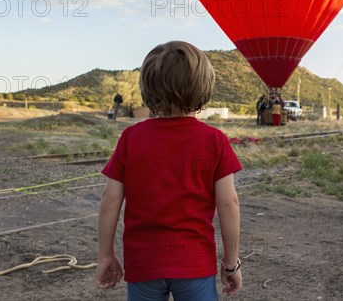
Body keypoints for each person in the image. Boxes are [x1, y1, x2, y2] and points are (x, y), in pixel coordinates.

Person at [96, 41, 243, 300]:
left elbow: (110, 200)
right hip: (194, 264)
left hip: (144, 263)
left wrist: (105, 255)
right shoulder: (215, 141)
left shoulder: (131, 138)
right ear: (203, 87)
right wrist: (231, 262)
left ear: (147, 87)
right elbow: (229, 203)